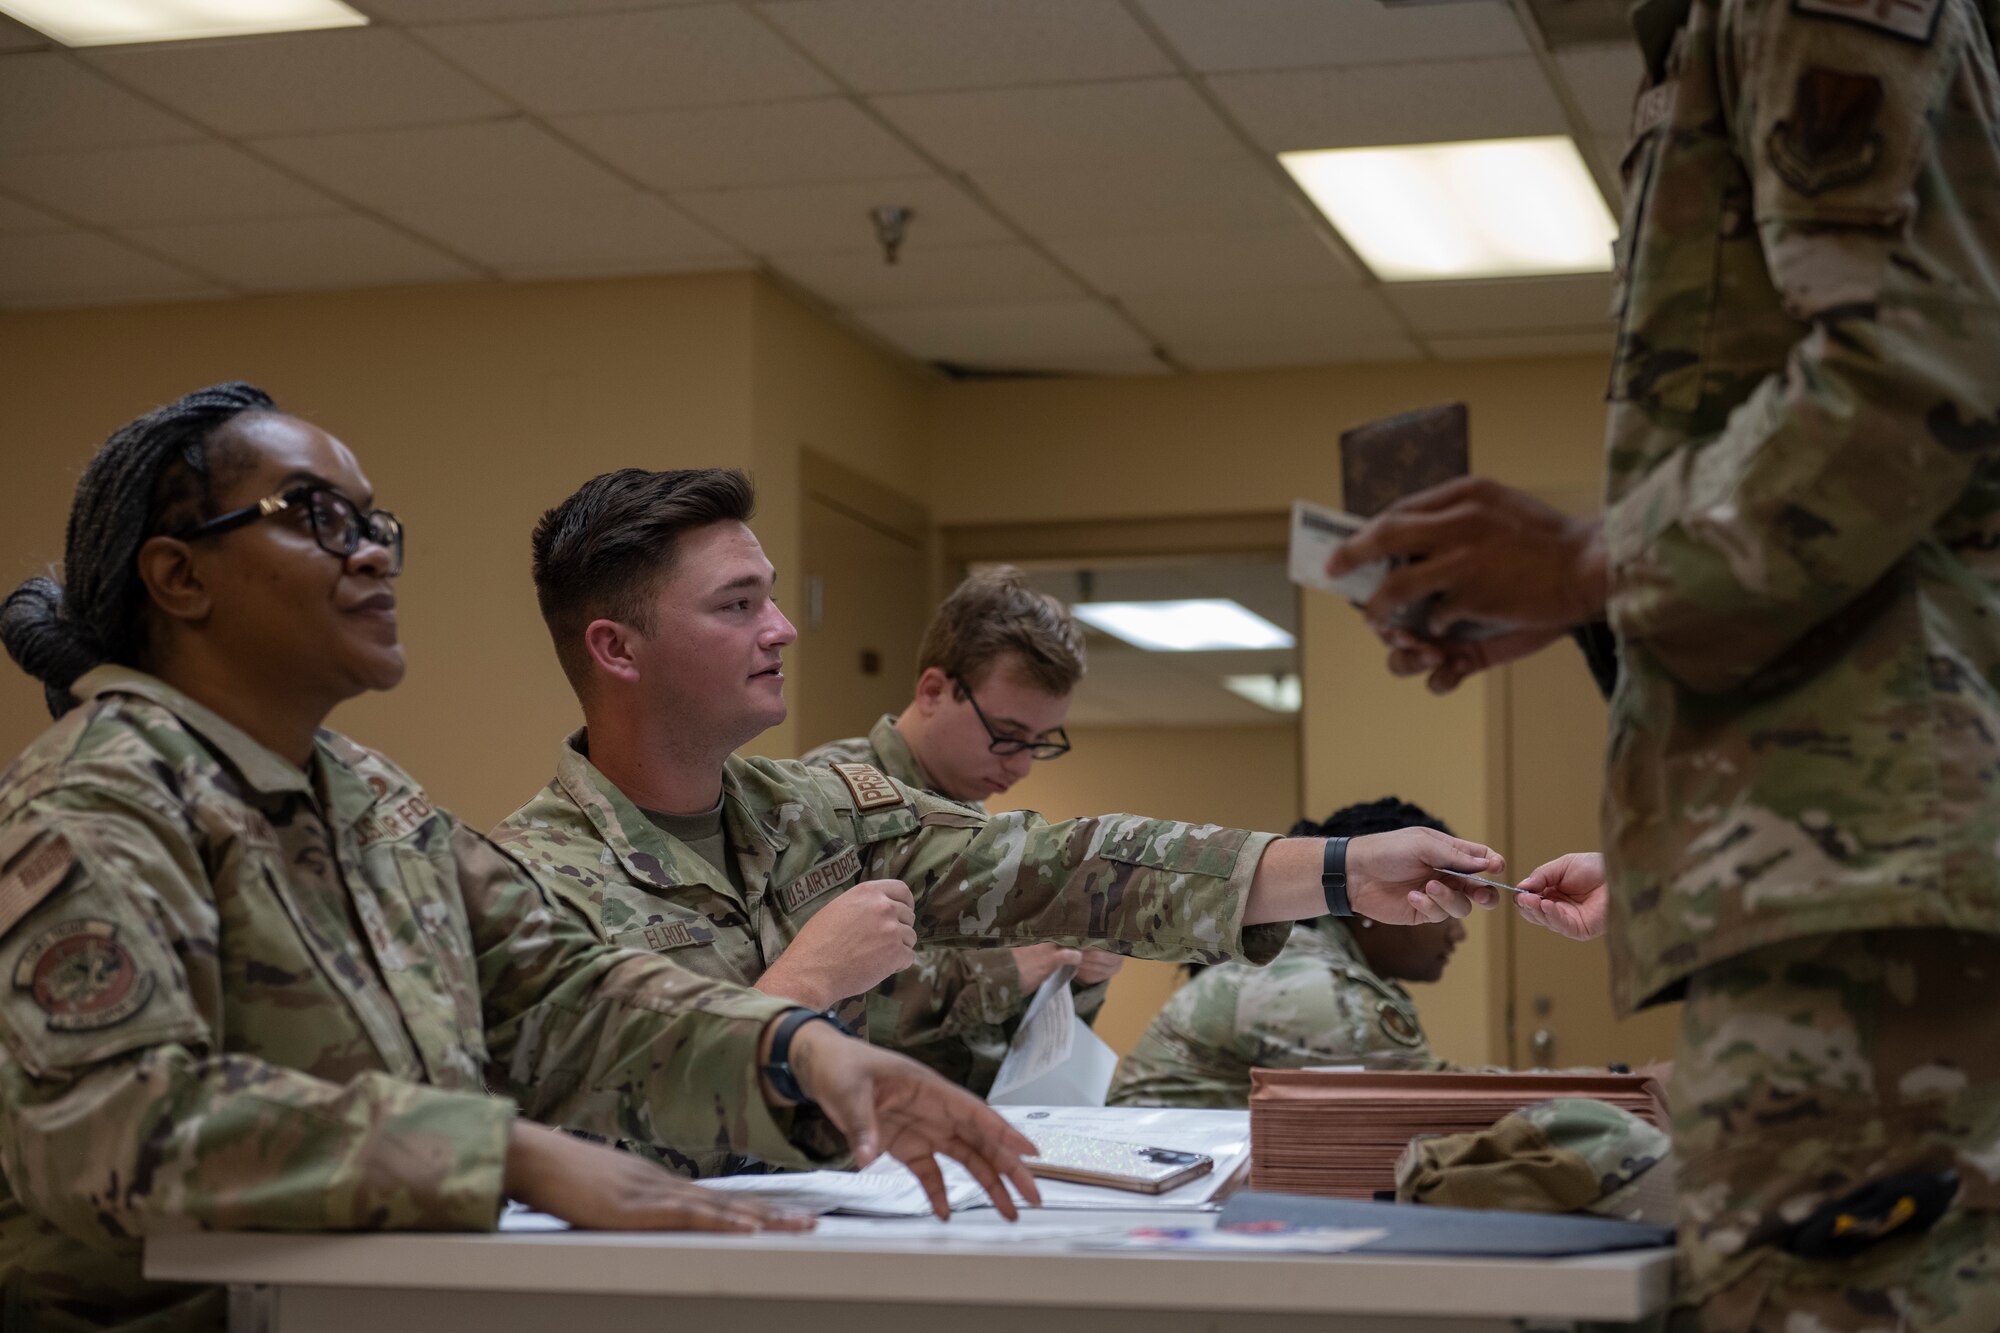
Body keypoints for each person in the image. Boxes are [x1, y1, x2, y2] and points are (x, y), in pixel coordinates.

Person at [0, 386, 1045, 1333]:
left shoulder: (366, 796)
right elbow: (111, 1119)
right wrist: (501, 1151)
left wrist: (799, 1052)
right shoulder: (99, 801)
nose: (370, 552)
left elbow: (570, 993)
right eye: (317, 518)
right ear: (179, 577)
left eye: (374, 522)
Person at [1325, 1, 2000, 1324]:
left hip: (1867, 903)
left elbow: (1923, 374)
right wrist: (1590, 600)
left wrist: (1595, 562)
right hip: (1840, 878)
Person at [491, 466, 1506, 1175]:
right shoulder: (520, 884)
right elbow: (570, 1152)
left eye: (771, 597)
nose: (783, 627)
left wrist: (1340, 868)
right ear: (618, 650)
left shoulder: (814, 815)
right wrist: (801, 993)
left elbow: (1071, 864)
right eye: (738, 605)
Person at [800, 565, 1122, 1096]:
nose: (1022, 767)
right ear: (932, 691)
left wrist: (1080, 979)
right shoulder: (824, 798)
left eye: (1040, 742)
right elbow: (818, 999)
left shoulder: (977, 828)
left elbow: (1013, 1044)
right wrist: (1006, 971)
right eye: (1008, 735)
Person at [1109, 798, 1463, 1109]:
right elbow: (1449, 1103)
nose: (1457, 932)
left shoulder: (1302, 959)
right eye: (1437, 904)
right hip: (1162, 1172)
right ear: (1374, 908)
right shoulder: (1310, 984)